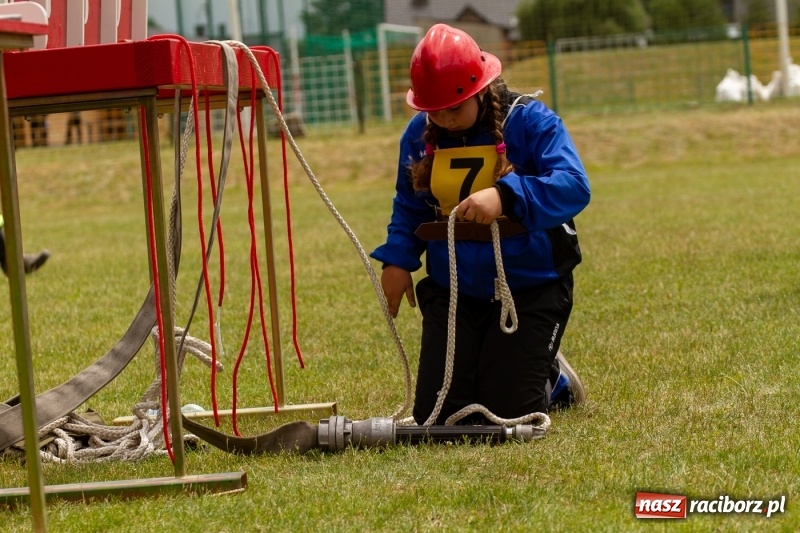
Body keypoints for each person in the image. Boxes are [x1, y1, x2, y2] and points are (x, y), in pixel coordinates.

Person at [370, 24, 591, 425]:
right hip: (455, 291)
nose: (446, 120)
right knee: (440, 418)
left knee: (509, 413)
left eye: (455, 108)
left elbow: (575, 187)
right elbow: (409, 204)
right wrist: (398, 261)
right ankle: (509, 359)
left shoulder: (531, 121)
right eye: (434, 110)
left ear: (480, 90)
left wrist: (507, 195)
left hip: (530, 287)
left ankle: (551, 375)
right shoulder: (419, 136)